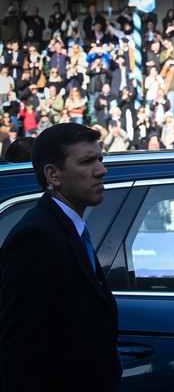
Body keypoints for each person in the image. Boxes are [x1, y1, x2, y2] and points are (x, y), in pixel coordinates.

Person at [0, 123, 122, 390]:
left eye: (100, 159)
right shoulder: (36, 237)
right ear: (53, 174)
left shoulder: (66, 229)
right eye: (87, 161)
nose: (102, 170)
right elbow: (21, 350)